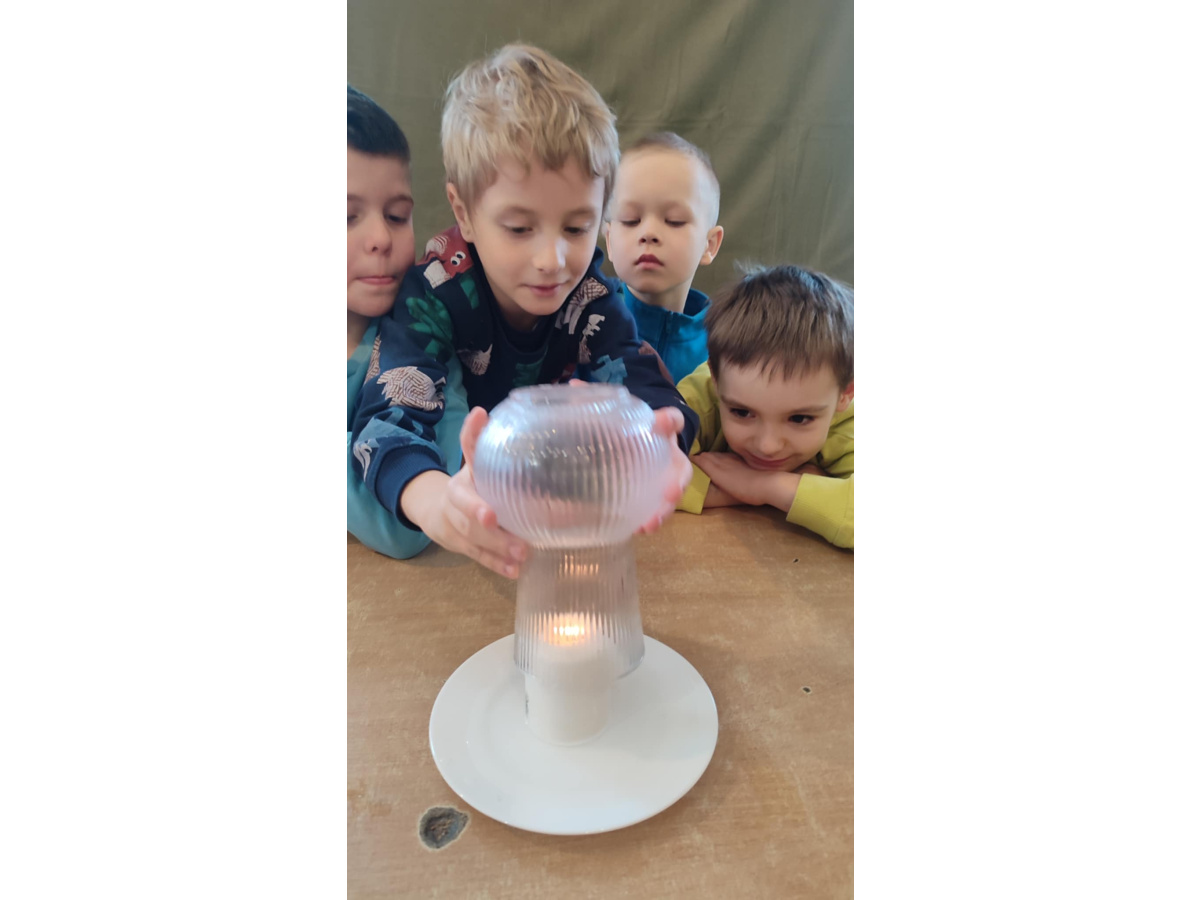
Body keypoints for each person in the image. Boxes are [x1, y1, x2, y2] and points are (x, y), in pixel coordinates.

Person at [349, 45, 699, 578]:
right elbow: (387, 423)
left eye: (577, 227)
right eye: (519, 228)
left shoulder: (590, 299)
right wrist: (437, 503)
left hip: (554, 523)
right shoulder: (433, 296)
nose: (552, 260)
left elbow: (644, 381)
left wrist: (663, 439)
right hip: (466, 526)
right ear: (464, 213)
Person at [346, 85, 469, 558]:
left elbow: (413, 527)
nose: (380, 236)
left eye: (397, 216)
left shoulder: (425, 339)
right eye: (346, 217)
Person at [676, 264, 854, 549]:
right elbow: (634, 477)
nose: (768, 446)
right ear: (716, 380)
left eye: (799, 418)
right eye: (742, 412)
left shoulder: (849, 420)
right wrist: (801, 486)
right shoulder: (700, 396)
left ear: (846, 394)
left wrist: (761, 486)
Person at [604, 132, 724, 383]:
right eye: (631, 220)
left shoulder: (726, 344)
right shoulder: (584, 328)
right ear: (609, 239)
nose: (648, 233)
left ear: (709, 245)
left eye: (674, 221)